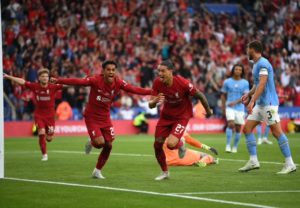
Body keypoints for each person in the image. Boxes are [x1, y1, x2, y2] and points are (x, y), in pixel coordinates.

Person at [51, 60, 152, 179]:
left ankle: (97, 171)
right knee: (99, 143)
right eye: (108, 70)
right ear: (103, 71)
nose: (111, 72)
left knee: (108, 145)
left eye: (113, 70)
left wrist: (151, 91)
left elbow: (133, 89)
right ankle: (91, 141)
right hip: (92, 116)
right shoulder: (95, 80)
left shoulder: (118, 82)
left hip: (105, 117)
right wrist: (58, 80)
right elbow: (77, 82)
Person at [149, 59, 212, 180]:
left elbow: (200, 95)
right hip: (166, 116)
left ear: (170, 71)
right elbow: (150, 105)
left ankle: (181, 144)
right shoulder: (157, 83)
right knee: (157, 145)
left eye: (163, 71)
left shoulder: (182, 83)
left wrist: (208, 111)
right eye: (159, 71)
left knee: (171, 144)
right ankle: (165, 172)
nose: (160, 74)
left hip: (181, 117)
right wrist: (154, 101)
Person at [239, 40, 296, 174]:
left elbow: (263, 84)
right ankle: (253, 161)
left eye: (248, 49)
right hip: (261, 104)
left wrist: (252, 100)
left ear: (253, 49)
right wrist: (249, 94)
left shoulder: (263, 63)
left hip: (269, 104)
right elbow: (257, 84)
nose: (247, 51)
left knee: (277, 132)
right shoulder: (256, 64)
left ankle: (290, 163)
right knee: (247, 129)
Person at [4, 68, 62, 161]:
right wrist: (8, 76)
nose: (45, 78)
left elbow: (66, 85)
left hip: (50, 116)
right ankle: (44, 155)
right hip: (39, 115)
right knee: (41, 132)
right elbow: (22, 82)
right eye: (43, 76)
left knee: (49, 138)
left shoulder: (53, 87)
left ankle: (47, 139)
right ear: (39, 78)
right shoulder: (35, 86)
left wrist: (81, 83)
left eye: (46, 76)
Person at [221, 64, 249, 153]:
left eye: (239, 70)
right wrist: (223, 107)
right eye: (236, 69)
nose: (237, 71)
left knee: (238, 128)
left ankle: (235, 147)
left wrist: (236, 102)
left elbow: (246, 96)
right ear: (233, 70)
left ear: (242, 72)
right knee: (231, 124)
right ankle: (228, 145)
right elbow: (223, 95)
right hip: (229, 107)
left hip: (240, 108)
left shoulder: (245, 82)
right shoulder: (227, 82)